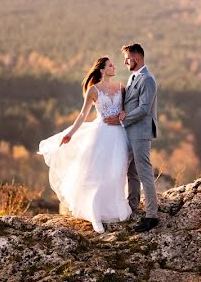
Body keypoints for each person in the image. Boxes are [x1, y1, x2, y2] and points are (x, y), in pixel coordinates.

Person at [38, 56, 131, 233]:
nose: (114, 67)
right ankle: (95, 215)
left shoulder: (121, 87)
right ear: (102, 70)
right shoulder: (93, 91)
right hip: (101, 134)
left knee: (117, 172)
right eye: (110, 65)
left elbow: (127, 108)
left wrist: (123, 114)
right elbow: (82, 115)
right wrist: (70, 134)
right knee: (96, 174)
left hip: (119, 134)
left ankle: (117, 209)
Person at [103, 43, 159, 233]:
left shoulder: (147, 79)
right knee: (132, 172)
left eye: (127, 58)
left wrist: (122, 118)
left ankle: (152, 215)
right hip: (131, 132)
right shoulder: (133, 77)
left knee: (144, 173)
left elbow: (144, 108)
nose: (125, 62)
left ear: (136, 57)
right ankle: (133, 207)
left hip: (141, 133)